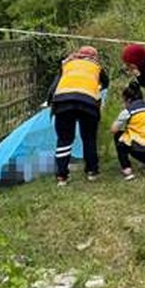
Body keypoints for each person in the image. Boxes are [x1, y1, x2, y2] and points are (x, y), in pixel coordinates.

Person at [47, 45, 109, 186]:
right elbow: (106, 83)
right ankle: (92, 172)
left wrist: (50, 102)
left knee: (64, 139)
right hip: (88, 103)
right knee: (89, 138)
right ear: (95, 57)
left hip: (63, 102)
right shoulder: (96, 67)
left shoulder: (67, 63)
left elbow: (54, 85)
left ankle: (62, 177)